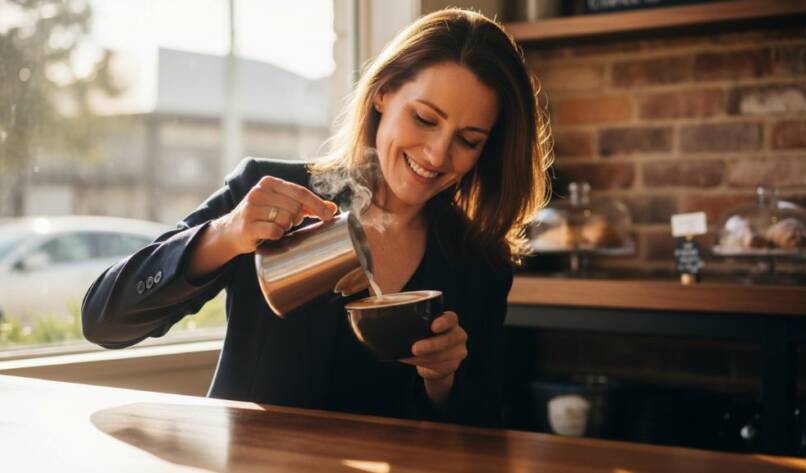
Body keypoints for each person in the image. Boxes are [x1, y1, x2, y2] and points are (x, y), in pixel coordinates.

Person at [82, 8, 552, 428]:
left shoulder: (478, 259)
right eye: (425, 119)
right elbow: (105, 321)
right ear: (384, 93)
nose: (437, 153)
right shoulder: (267, 192)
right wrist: (226, 234)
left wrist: (443, 381)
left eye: (468, 140)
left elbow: (484, 428)